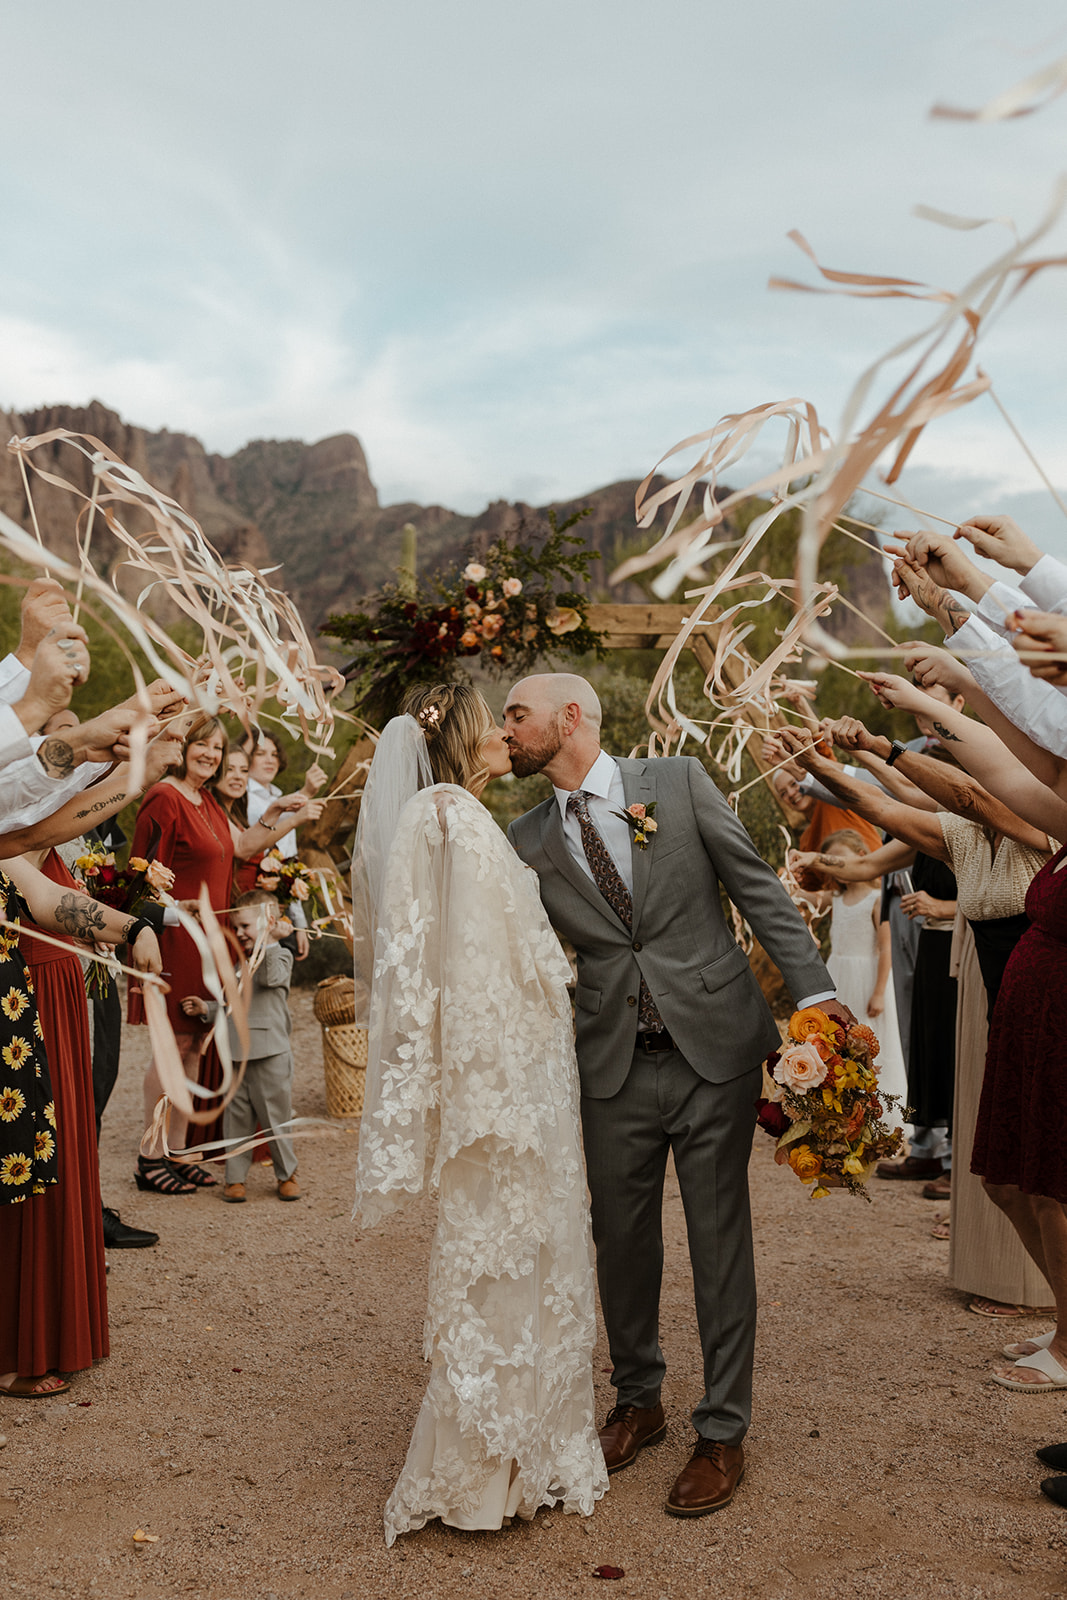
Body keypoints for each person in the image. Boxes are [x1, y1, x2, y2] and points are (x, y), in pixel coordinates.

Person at [503, 672, 847, 1518]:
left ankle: (722, 1429)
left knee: (717, 1238)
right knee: (619, 1240)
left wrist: (814, 996)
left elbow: (755, 885)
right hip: (609, 1063)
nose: (505, 731)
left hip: (713, 1051)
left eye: (516, 715)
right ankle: (638, 1400)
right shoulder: (523, 837)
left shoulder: (678, 782)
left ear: (570, 717)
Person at [352, 683, 607, 1544]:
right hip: (501, 1086)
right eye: (494, 720)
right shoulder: (449, 813)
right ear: (463, 736)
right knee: (500, 1264)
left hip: (525, 1071)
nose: (506, 733)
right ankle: (476, 1472)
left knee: (531, 1262)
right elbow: (453, 961)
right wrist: (487, 1095)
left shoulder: (455, 813)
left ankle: (523, 1455)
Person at [129, 716, 315, 1192]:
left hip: (207, 940)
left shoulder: (207, 800)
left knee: (194, 1043)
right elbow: (140, 874)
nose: (211, 754)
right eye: (203, 746)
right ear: (184, 748)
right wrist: (166, 915)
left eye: (217, 748)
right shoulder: (165, 798)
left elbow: (245, 846)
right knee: (173, 1047)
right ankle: (150, 1159)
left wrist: (275, 809)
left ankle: (178, 1149)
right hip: (173, 937)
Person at [0, 856, 162, 1398]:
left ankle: (54, 1329)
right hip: (26, 1000)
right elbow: (45, 900)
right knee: (27, 1157)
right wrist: (134, 926)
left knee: (62, 1156)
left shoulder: (37, 832)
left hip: (54, 994)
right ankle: (17, 1345)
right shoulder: (15, 828)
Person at [181, 889, 301, 1204]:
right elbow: (232, 1004)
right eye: (236, 927)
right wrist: (207, 1009)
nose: (239, 933)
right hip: (236, 1054)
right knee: (236, 1118)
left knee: (275, 1117)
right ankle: (235, 1179)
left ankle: (286, 1174)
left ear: (269, 922)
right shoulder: (238, 963)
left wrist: (274, 941)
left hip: (269, 1053)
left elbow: (272, 979)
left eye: (246, 926)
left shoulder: (278, 956)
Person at [790, 826, 907, 1120]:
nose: (836, 868)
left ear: (860, 856)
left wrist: (880, 991)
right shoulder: (836, 898)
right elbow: (804, 898)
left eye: (838, 859)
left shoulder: (877, 899)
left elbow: (885, 948)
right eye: (828, 861)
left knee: (870, 1041)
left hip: (868, 979)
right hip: (838, 976)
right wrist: (787, 884)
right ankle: (840, 1111)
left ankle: (883, 1115)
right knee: (837, 1039)